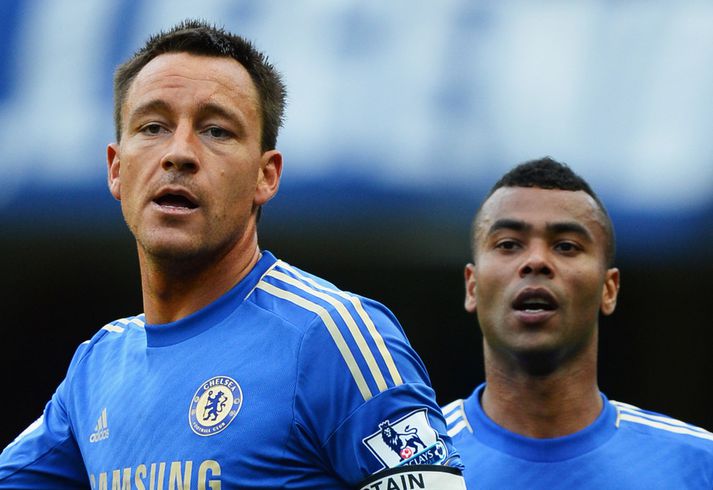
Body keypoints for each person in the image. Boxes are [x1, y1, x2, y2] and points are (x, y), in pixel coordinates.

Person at [0, 20, 465, 489]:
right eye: (153, 126)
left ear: (266, 176)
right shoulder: (98, 366)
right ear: (116, 169)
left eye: (216, 131)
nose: (179, 153)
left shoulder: (331, 337)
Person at [442, 157, 713, 488]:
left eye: (566, 246)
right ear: (472, 287)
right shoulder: (410, 464)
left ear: (609, 290)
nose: (536, 261)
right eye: (509, 244)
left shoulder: (699, 466)